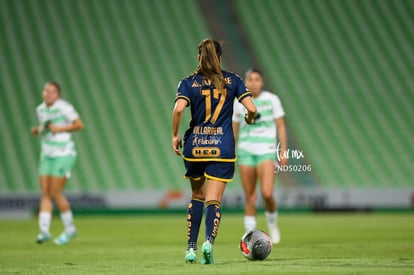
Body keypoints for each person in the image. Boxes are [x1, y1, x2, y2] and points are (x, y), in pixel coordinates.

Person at [172, 38, 257, 264]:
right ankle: (208, 242)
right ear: (219, 58)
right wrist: (249, 118)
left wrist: (174, 134)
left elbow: (179, 109)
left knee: (197, 196)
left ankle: (191, 248)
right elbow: (252, 108)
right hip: (222, 147)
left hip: (195, 147)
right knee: (214, 200)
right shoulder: (233, 80)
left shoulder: (188, 83)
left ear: (199, 58)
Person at [232, 68, 287, 244]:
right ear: (245, 82)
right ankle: (250, 236)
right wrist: (231, 151)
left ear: (262, 82)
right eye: (250, 79)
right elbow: (234, 128)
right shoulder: (238, 102)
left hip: (266, 151)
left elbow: (280, 126)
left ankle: (272, 223)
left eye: (257, 79)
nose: (253, 82)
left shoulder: (272, 100)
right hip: (245, 151)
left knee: (267, 192)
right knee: (250, 196)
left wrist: (283, 150)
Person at [31, 82, 84, 245]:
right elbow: (46, 127)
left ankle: (70, 229)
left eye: (53, 92)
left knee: (55, 192)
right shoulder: (40, 109)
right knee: (45, 192)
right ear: (43, 93)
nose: (49, 94)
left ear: (58, 94)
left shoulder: (64, 107)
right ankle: (44, 231)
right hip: (47, 153)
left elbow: (79, 125)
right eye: (47, 91)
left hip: (64, 153)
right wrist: (37, 130)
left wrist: (59, 129)